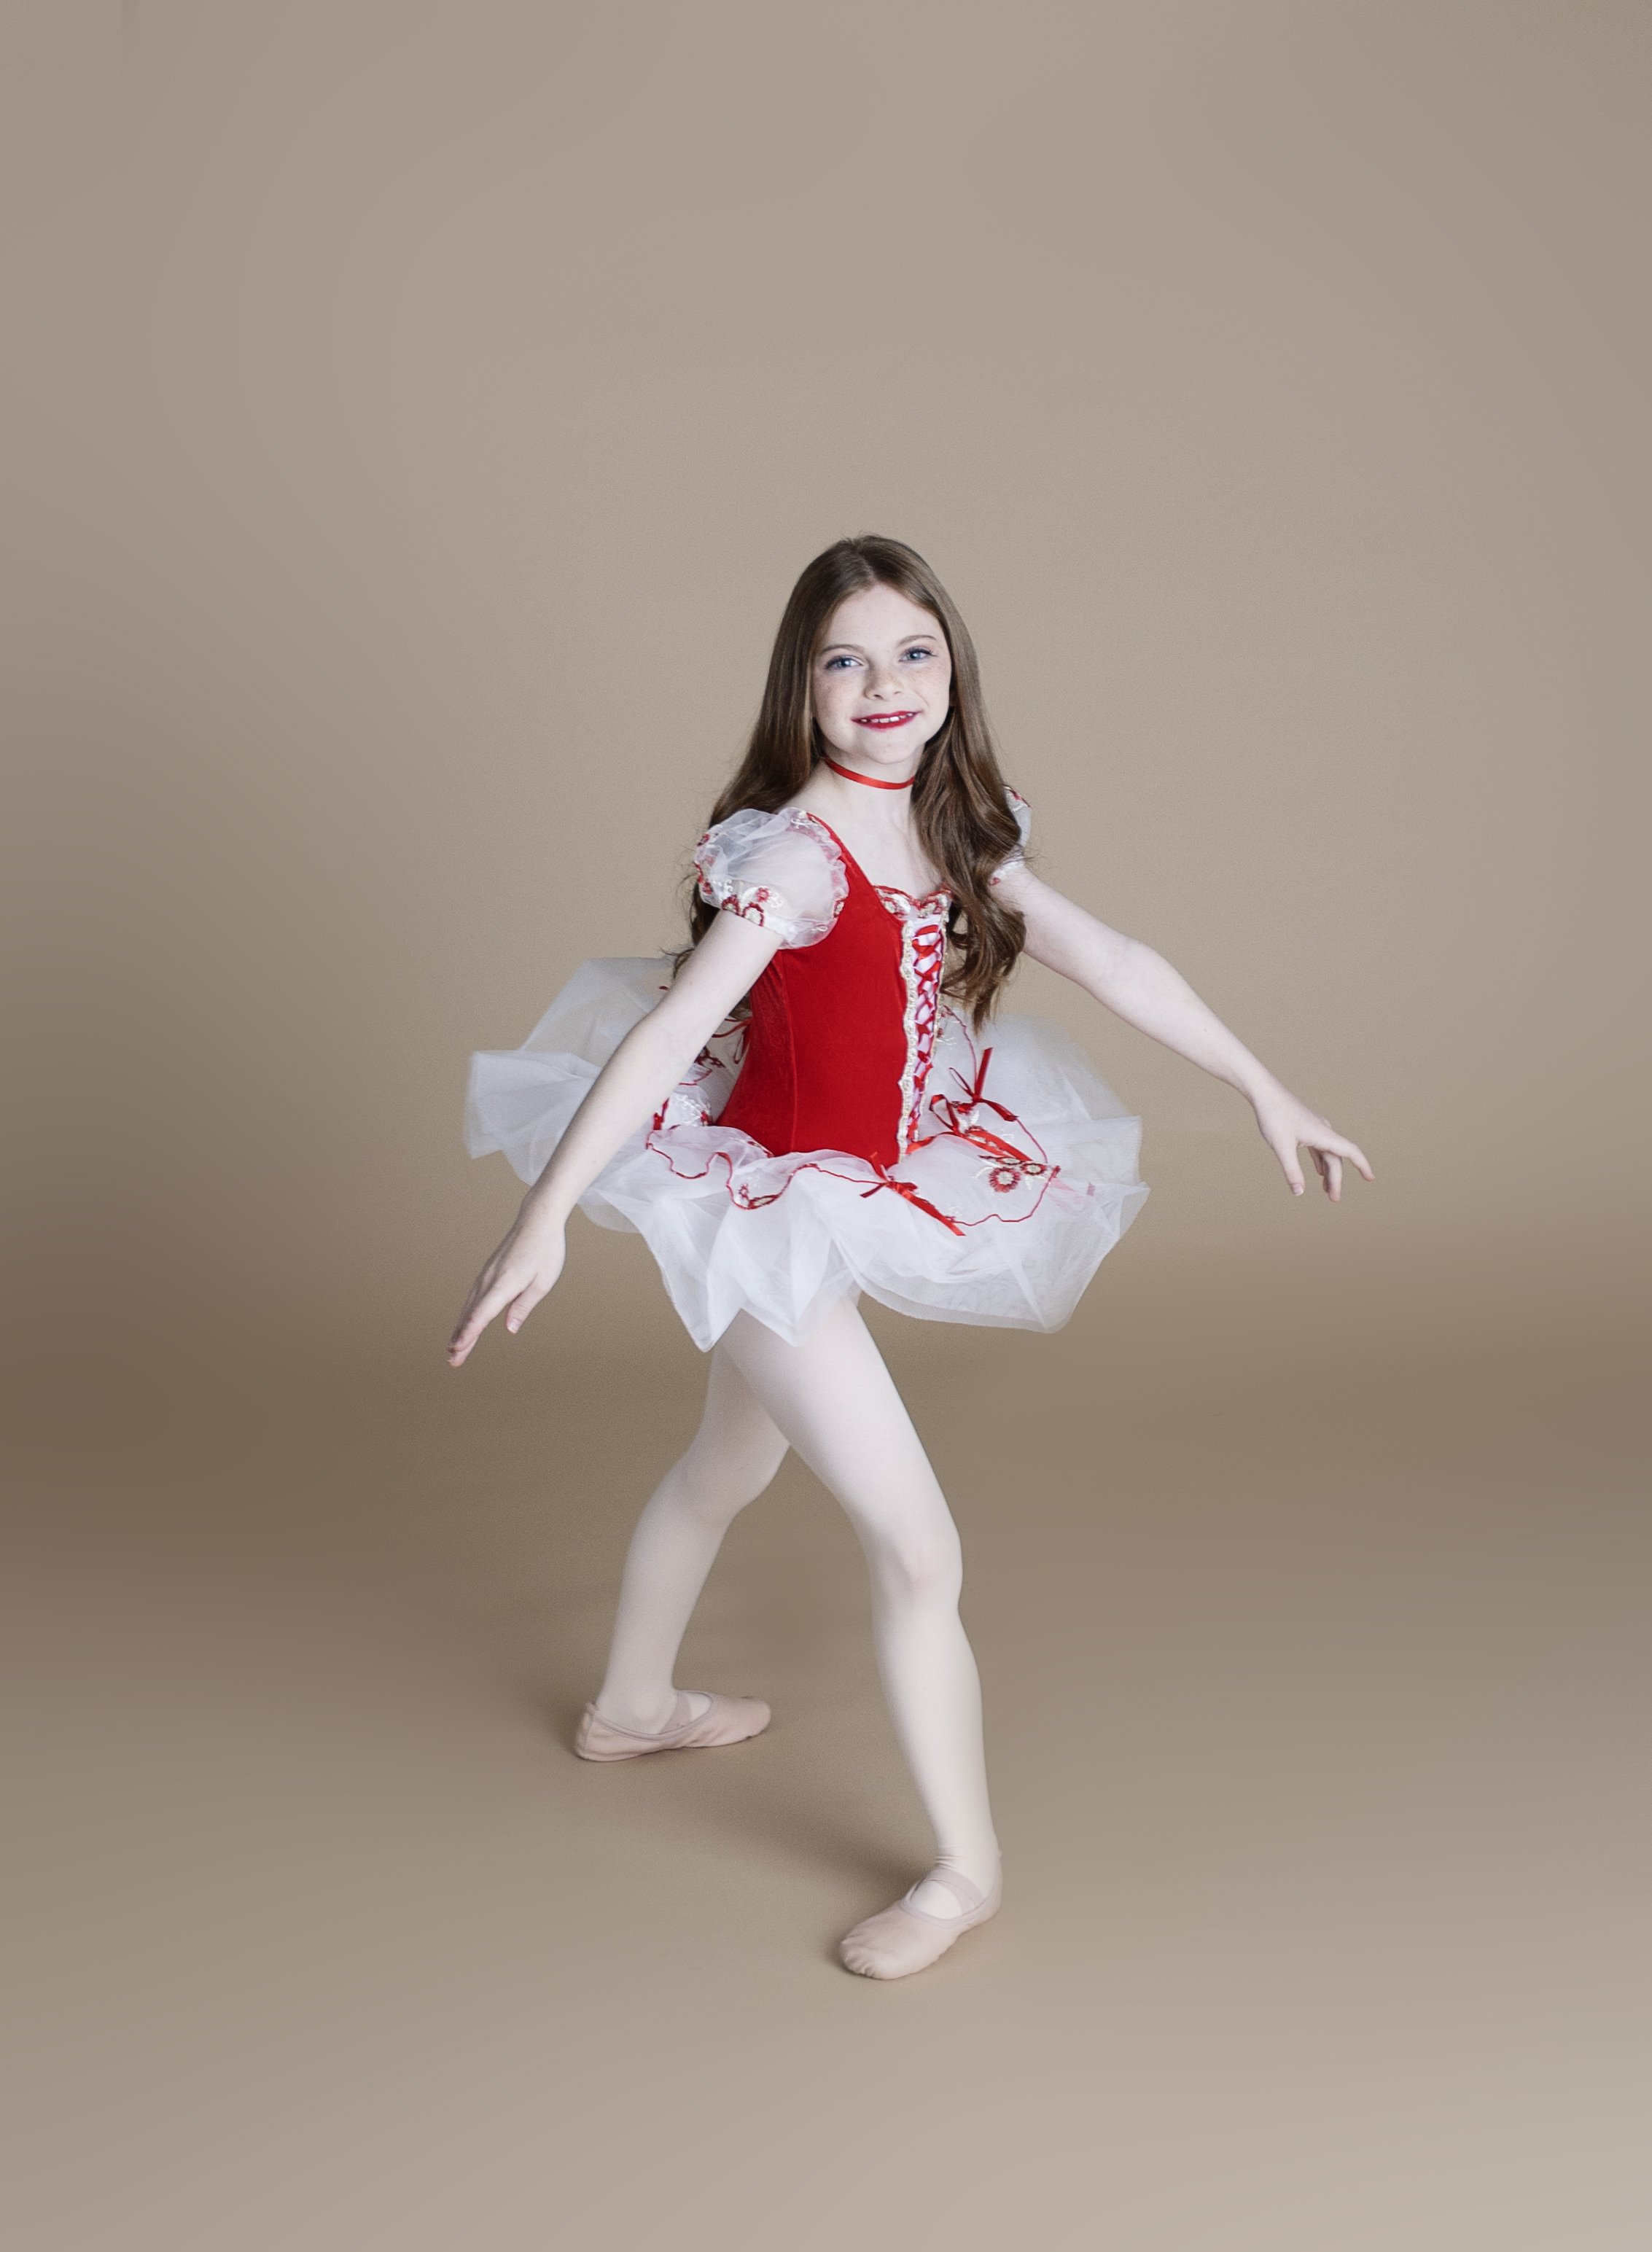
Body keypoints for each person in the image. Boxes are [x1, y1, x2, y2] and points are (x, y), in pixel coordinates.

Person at [449, 534, 1372, 1979]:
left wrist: (1265, 1085)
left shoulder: (955, 831)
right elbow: (667, 1036)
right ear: (800, 689)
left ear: (950, 673)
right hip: (761, 1208)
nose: (882, 686)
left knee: (726, 1466)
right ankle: (962, 1873)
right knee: (918, 1546)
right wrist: (543, 1214)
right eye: (843, 661)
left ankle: (630, 1706)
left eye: (911, 655)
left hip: (871, 1177)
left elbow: (1118, 963)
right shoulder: (795, 855)